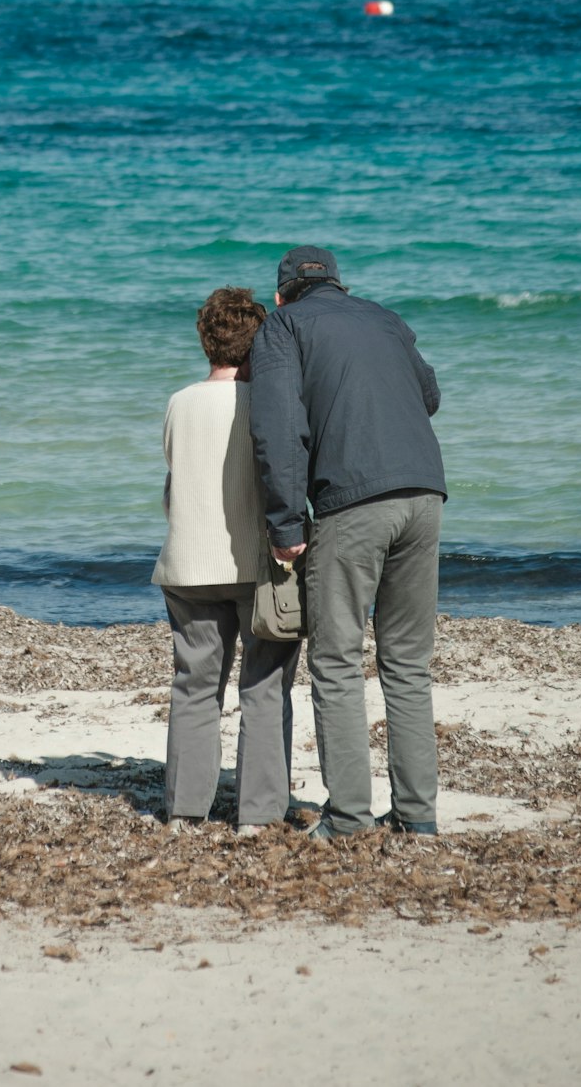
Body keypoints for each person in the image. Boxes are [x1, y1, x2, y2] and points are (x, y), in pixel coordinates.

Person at [248, 246, 446, 840]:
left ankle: (350, 819)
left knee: (335, 661)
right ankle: (418, 816)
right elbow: (429, 397)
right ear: (340, 284)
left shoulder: (283, 326)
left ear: (282, 294)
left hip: (352, 503)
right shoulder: (384, 317)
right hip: (425, 496)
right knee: (408, 664)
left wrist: (284, 525)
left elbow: (278, 430)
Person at [152, 287, 301, 835]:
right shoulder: (265, 401)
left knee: (194, 685)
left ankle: (185, 810)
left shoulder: (179, 401)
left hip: (188, 562)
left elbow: (175, 479)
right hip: (252, 562)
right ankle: (258, 816)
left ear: (205, 341)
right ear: (259, 343)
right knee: (263, 686)